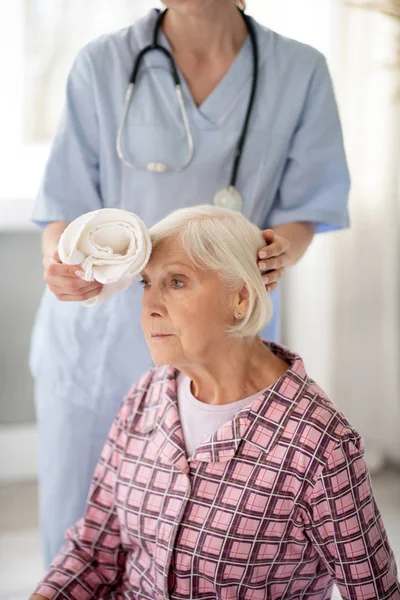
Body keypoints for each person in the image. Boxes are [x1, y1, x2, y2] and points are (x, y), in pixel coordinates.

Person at [30, 0, 350, 565]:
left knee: (213, 549)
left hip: (218, 342)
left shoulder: (299, 69)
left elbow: (306, 209)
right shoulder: (103, 63)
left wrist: (280, 251)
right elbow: (64, 205)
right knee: (82, 546)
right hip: (99, 338)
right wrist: (61, 263)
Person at [30, 206, 399, 600]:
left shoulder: (320, 445)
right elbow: (93, 552)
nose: (150, 305)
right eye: (145, 283)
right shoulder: (147, 395)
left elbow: (375, 592)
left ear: (240, 297)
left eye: (176, 281)